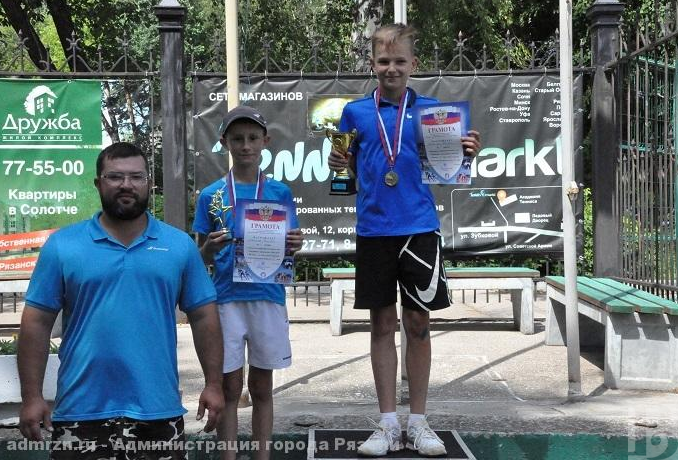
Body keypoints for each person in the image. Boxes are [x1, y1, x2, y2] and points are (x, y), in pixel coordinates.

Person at [328, 24, 481, 457]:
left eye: (399, 61)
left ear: (414, 64)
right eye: (383, 61)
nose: (391, 68)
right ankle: (387, 424)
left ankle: (418, 422)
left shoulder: (435, 112)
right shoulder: (356, 113)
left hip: (419, 229)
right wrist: (337, 161)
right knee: (381, 326)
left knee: (418, 325)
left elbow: (448, 171)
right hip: (374, 230)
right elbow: (344, 171)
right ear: (372, 64)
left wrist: (467, 151)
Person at [18, 142, 225, 460]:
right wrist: (31, 396)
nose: (126, 184)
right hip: (81, 412)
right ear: (98, 183)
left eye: (136, 177)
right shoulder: (63, 245)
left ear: (148, 183)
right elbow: (36, 323)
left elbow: (204, 316)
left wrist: (214, 384)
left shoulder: (178, 246)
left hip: (158, 411)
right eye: (115, 176)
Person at [193, 106, 303, 460]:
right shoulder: (211, 195)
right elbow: (198, 258)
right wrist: (209, 249)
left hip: (267, 295)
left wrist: (295, 244)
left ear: (265, 141)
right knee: (229, 386)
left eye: (253, 138)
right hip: (225, 299)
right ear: (224, 141)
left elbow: (289, 247)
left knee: (261, 386)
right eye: (237, 139)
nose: (245, 146)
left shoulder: (279, 192)